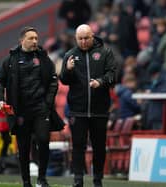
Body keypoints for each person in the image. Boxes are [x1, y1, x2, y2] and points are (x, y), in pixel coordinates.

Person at [0, 27, 64, 187]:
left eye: (36, 38)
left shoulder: (43, 58)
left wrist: (48, 102)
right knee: (23, 147)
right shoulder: (10, 60)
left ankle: (42, 178)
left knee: (44, 140)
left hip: (41, 108)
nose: (34, 41)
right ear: (22, 40)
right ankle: (26, 181)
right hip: (20, 111)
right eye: (31, 38)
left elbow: (53, 81)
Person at [60, 24, 117, 187]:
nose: (84, 41)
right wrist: (68, 70)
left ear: (92, 36)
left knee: (99, 147)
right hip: (77, 110)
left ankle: (97, 180)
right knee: (78, 147)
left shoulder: (105, 52)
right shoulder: (70, 55)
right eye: (80, 39)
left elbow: (113, 76)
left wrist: (101, 82)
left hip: (100, 110)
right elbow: (63, 80)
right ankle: (78, 180)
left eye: (86, 38)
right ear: (76, 39)